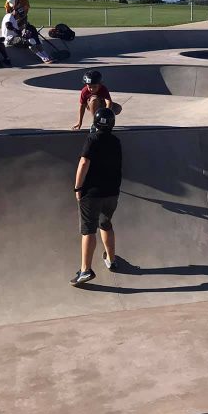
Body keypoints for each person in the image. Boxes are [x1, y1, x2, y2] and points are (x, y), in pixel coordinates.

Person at [72, 107, 123, 285]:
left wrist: (78, 188)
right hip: (112, 193)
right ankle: (111, 259)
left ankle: (85, 270)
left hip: (92, 194)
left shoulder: (92, 139)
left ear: (95, 123)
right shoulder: (116, 141)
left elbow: (84, 162)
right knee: (106, 224)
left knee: (88, 231)